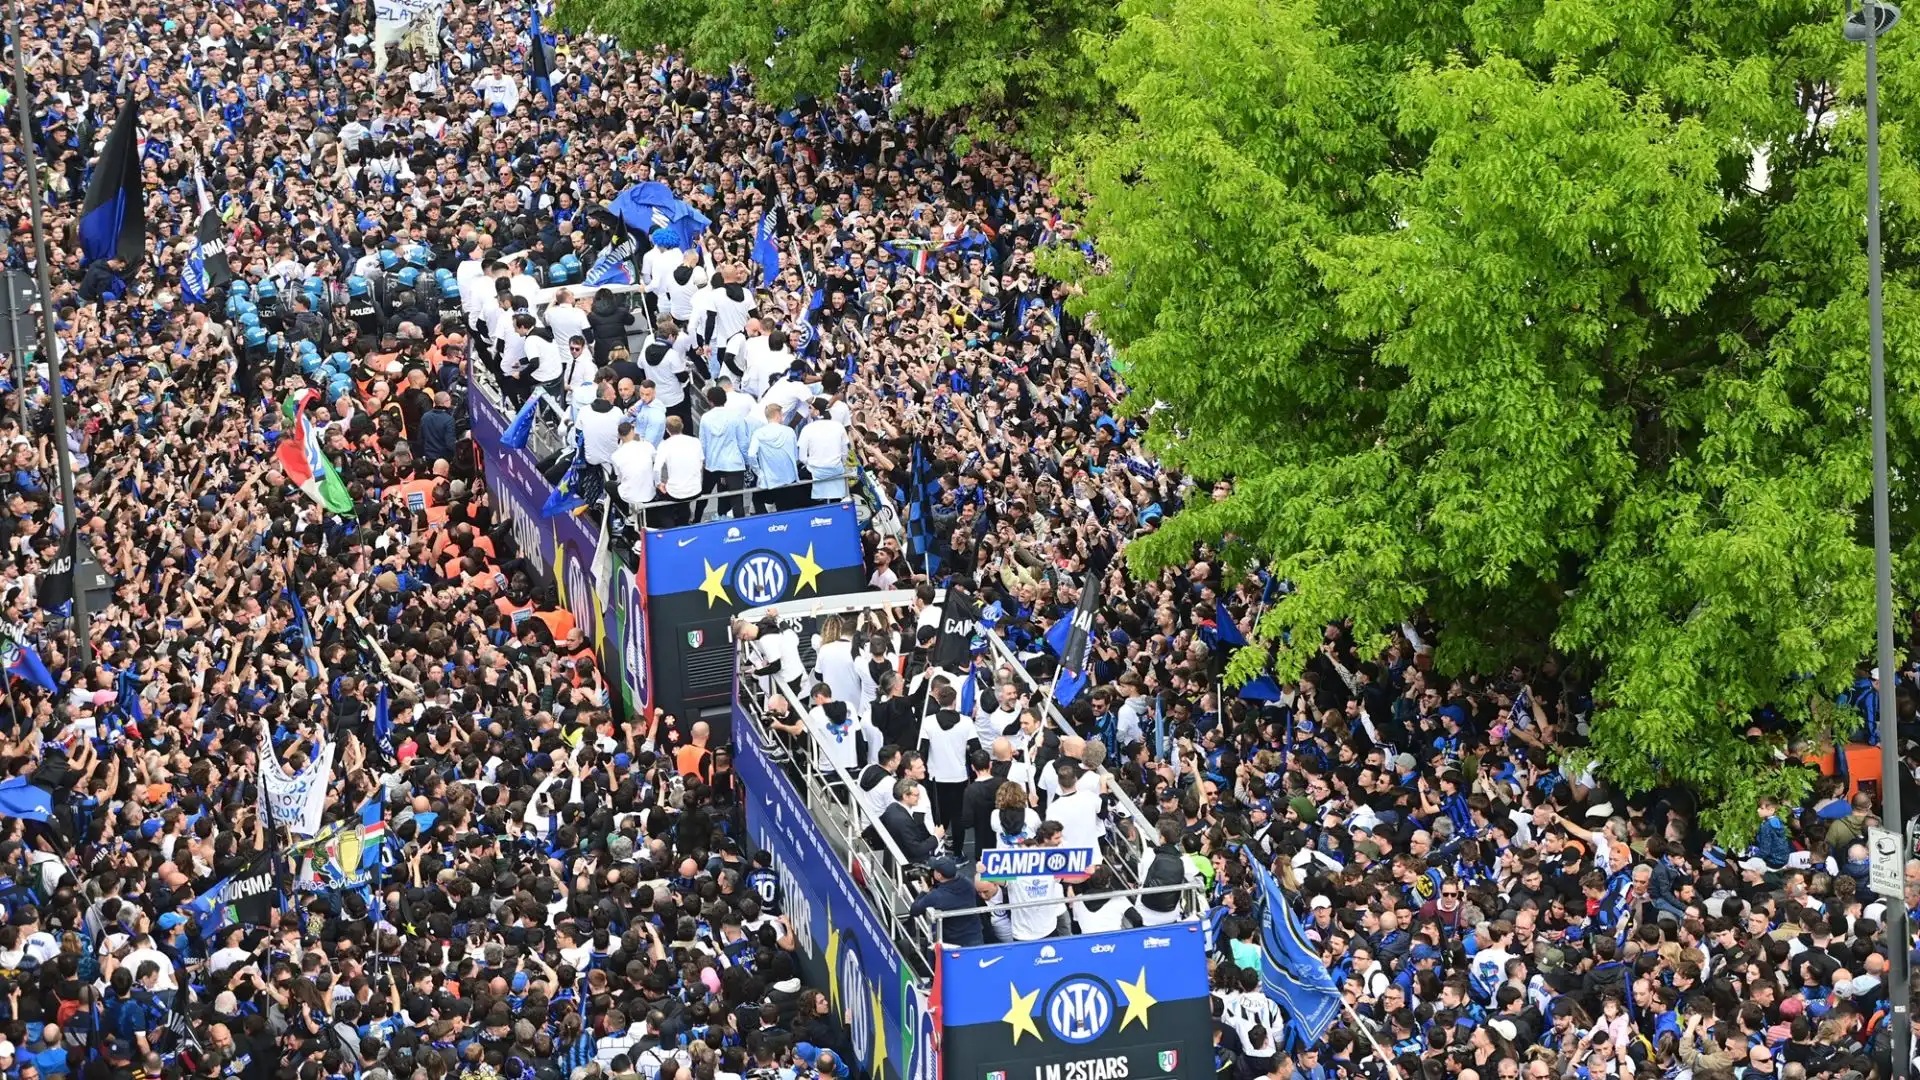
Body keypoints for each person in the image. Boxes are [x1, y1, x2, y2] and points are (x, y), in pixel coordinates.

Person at [653, 415, 705, 526]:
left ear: (667, 430)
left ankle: (671, 529)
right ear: (682, 426)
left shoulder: (664, 445)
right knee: (683, 503)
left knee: (662, 508)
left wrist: (658, 484)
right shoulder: (695, 441)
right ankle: (683, 523)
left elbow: (656, 469)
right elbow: (700, 464)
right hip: (695, 489)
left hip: (676, 492)